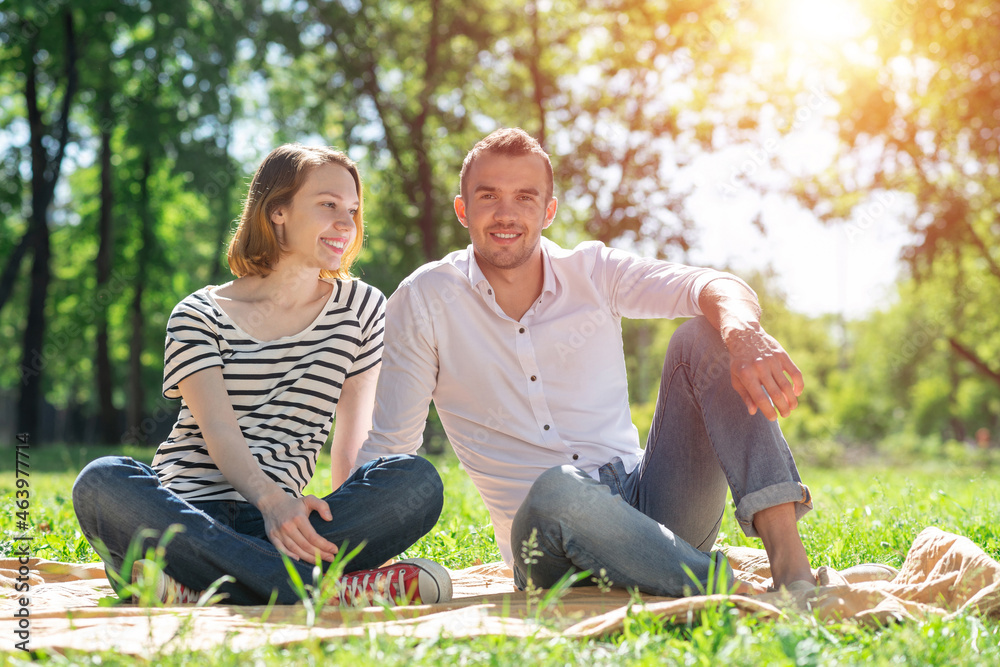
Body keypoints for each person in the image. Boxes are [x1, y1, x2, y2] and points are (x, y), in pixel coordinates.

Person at [354, 128, 815, 597]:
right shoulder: (424, 298)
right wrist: (355, 556)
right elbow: (391, 447)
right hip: (547, 542)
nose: (506, 213)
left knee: (706, 333)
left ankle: (791, 571)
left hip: (653, 510)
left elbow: (711, 285)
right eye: (488, 196)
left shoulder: (593, 271)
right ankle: (718, 583)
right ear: (463, 209)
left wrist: (743, 333)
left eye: (525, 197)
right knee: (558, 489)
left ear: (548, 211)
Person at [73, 144, 451, 606]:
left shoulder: (362, 308)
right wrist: (271, 502)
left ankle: (200, 587)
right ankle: (320, 590)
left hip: (288, 526)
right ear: (278, 212)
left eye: (352, 210)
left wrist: (345, 517)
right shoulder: (199, 314)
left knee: (417, 480)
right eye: (328, 205)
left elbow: (351, 444)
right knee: (103, 480)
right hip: (185, 515)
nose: (346, 225)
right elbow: (219, 432)